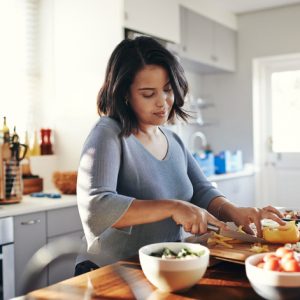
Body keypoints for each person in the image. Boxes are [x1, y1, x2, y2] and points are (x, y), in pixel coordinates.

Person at [75, 36, 284, 275]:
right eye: (147, 94)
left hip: (159, 267)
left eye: (167, 90)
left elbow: (202, 191)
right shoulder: (107, 133)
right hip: (109, 269)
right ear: (124, 93)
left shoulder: (172, 139)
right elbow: (96, 206)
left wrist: (234, 212)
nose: (163, 103)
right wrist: (173, 207)